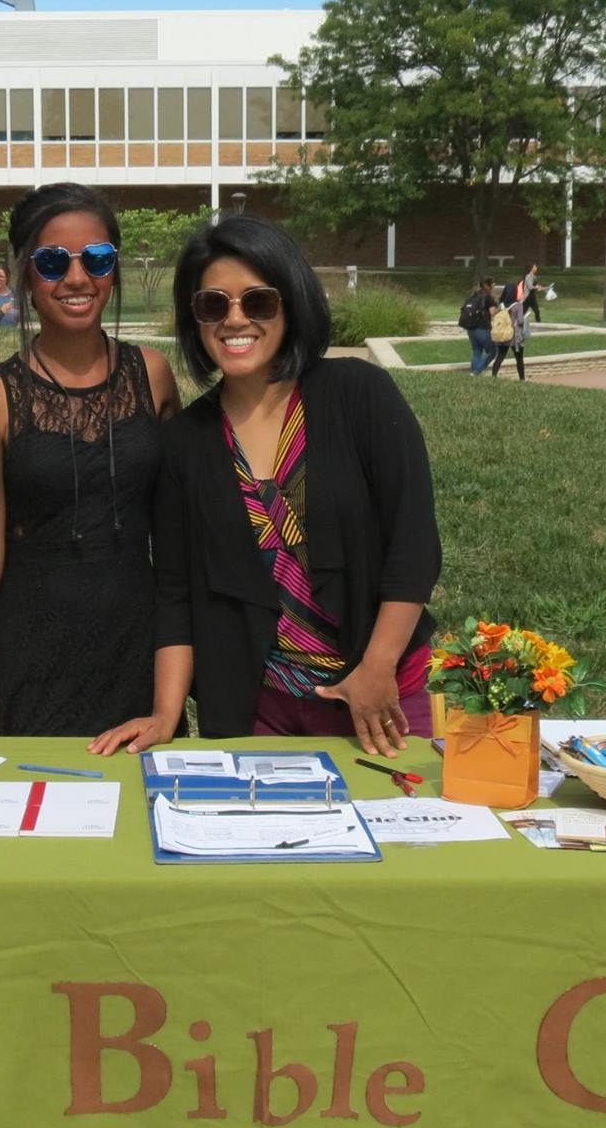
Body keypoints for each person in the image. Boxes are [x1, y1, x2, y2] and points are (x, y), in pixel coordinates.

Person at [92, 216, 441, 759]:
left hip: (380, 698)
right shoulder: (185, 442)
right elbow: (176, 592)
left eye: (258, 301)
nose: (235, 320)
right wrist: (165, 714)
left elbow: (413, 544)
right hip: (259, 711)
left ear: (291, 303)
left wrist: (376, 668)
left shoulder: (359, 394)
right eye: (213, 305)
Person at [0, 182, 181, 736]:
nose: (77, 278)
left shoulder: (154, 377)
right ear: (24, 274)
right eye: (52, 262)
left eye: (97, 259)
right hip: (33, 651)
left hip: (134, 645)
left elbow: (175, 547)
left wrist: (170, 703)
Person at [459, 279, 498, 374]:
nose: (494, 286)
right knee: (492, 352)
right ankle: (476, 372)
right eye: (493, 284)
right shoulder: (488, 297)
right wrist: (500, 308)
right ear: (489, 285)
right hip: (483, 328)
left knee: (477, 352)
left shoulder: (473, 296)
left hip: (471, 328)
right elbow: (492, 312)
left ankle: (473, 374)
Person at [489, 289, 528, 380]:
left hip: (503, 335)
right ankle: (522, 379)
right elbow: (520, 321)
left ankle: (493, 376)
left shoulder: (501, 305)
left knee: (500, 356)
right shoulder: (518, 305)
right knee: (519, 358)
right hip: (514, 336)